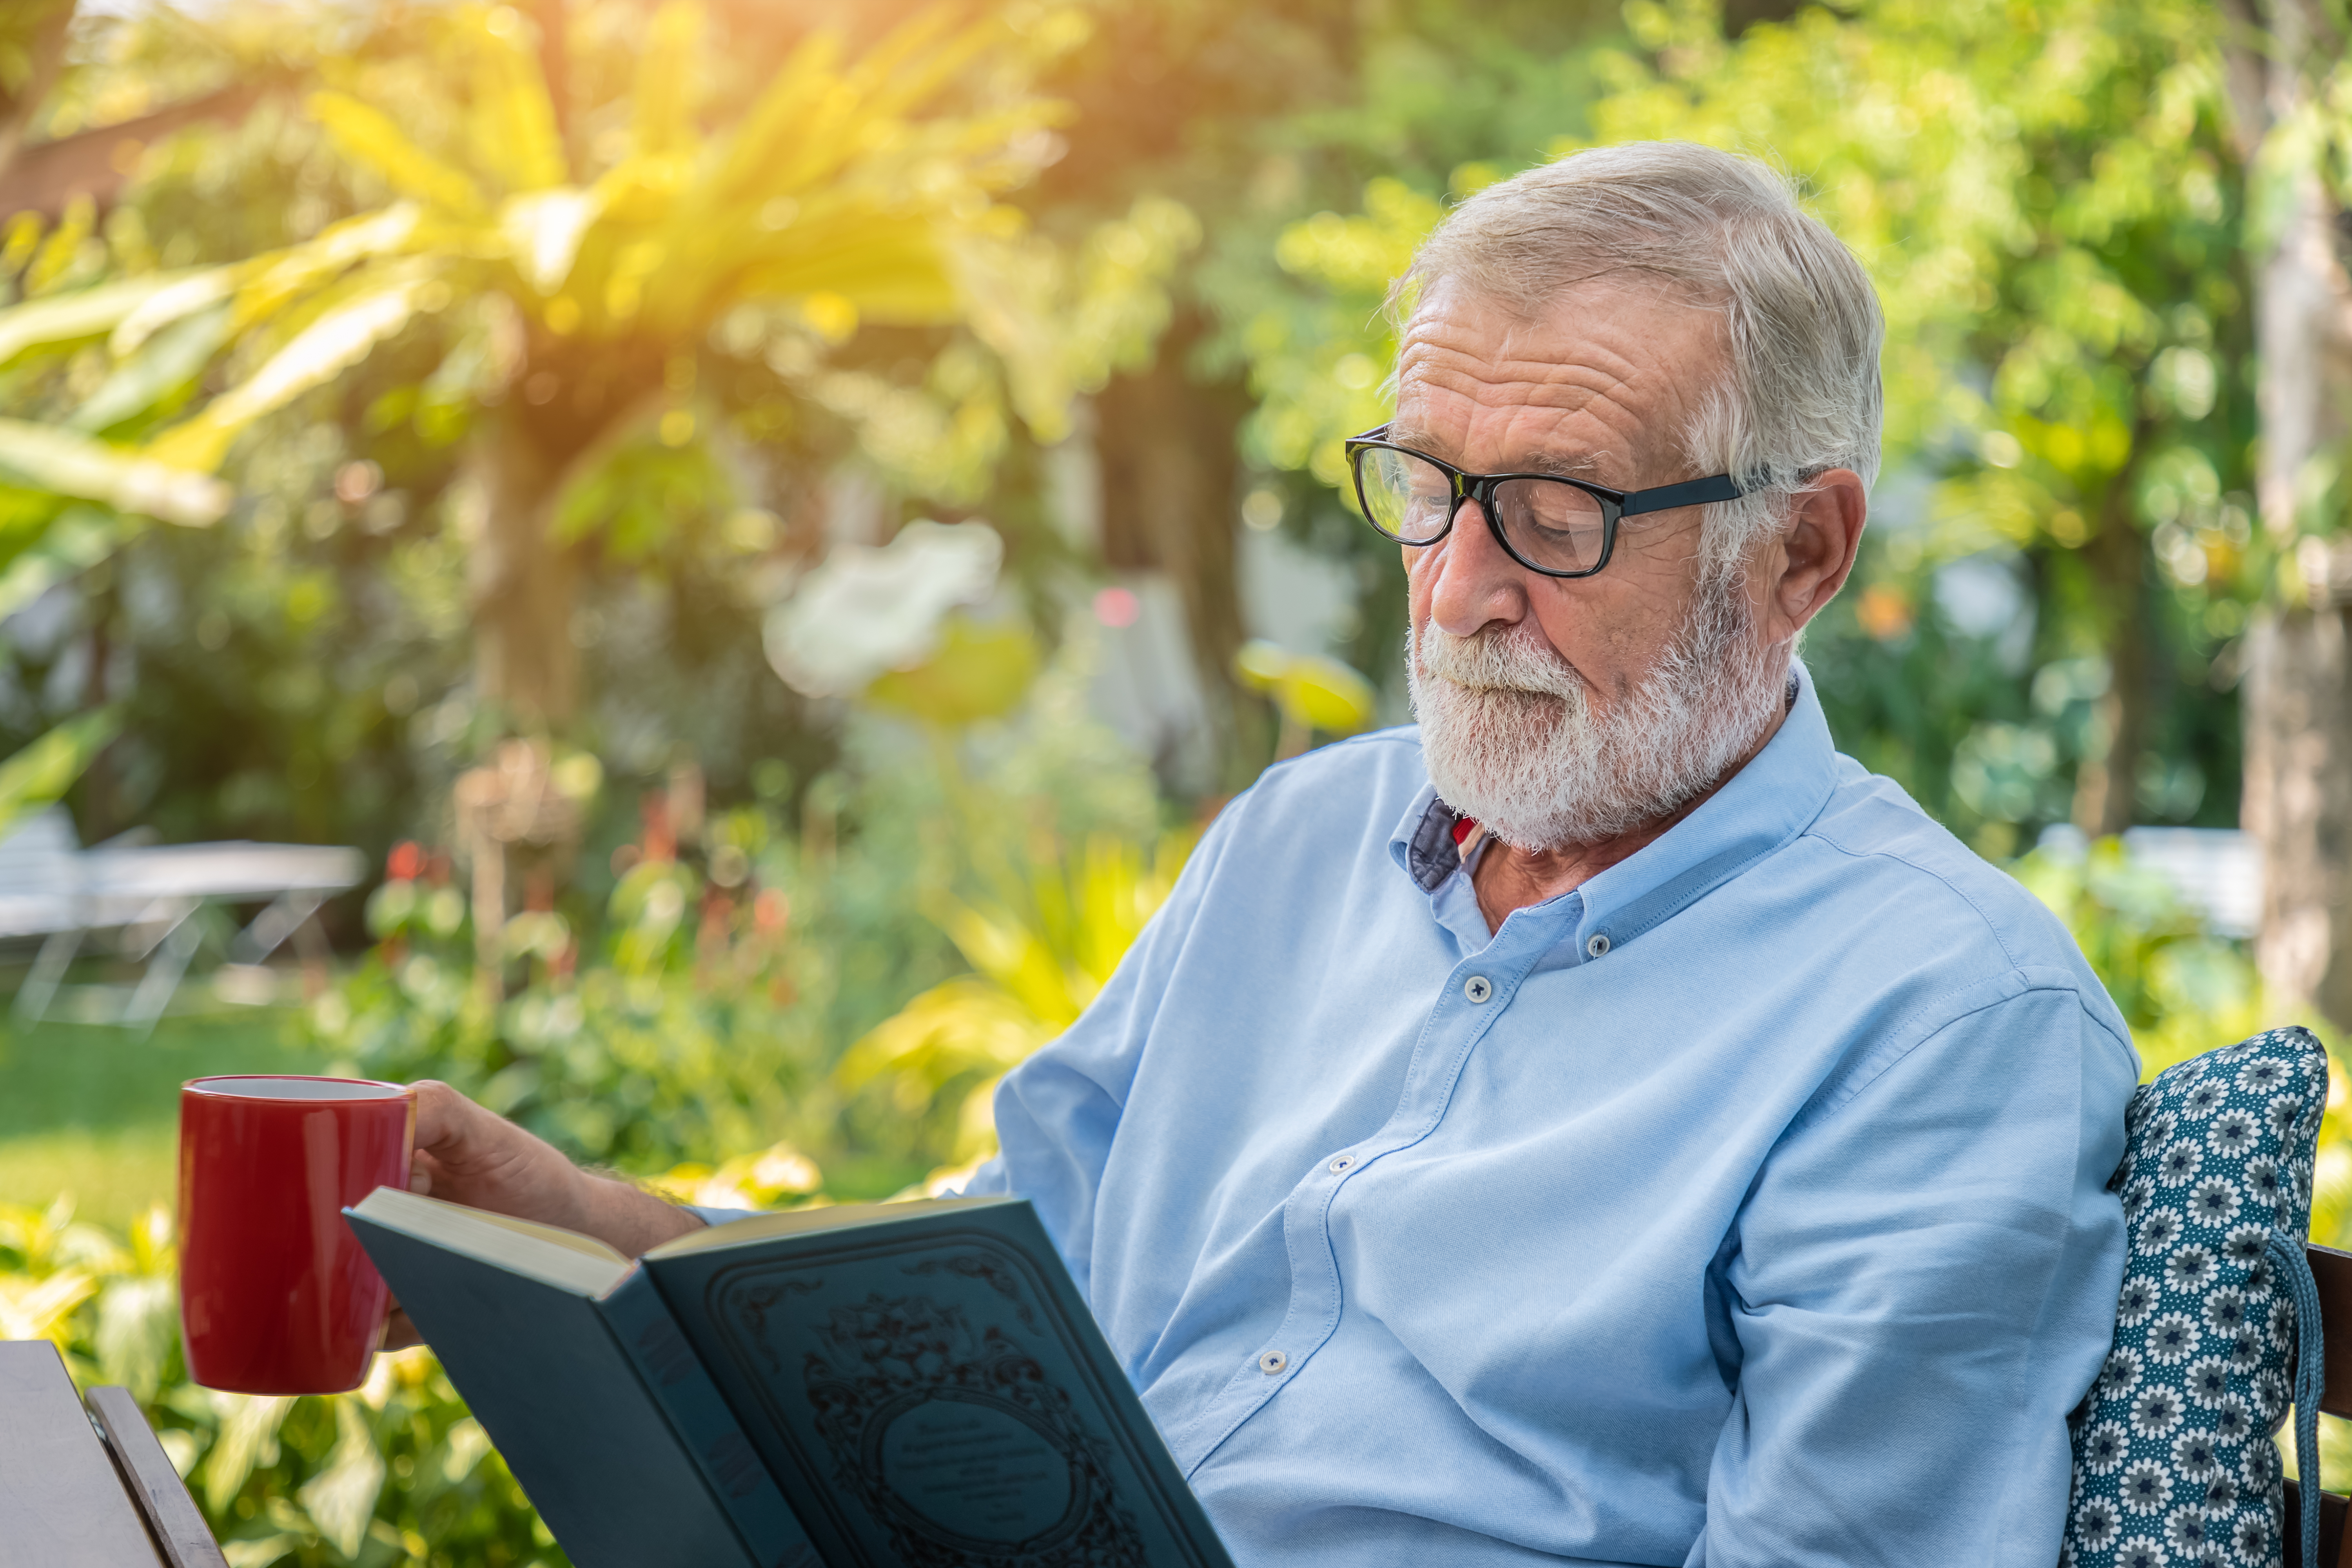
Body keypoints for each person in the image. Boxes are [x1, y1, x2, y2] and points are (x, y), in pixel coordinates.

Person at [402, 142, 2135, 1566]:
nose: (1459, 589)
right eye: (1427, 487)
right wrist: (596, 1234)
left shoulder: (1942, 1017)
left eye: (1558, 512)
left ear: (1801, 552)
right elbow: (977, 1297)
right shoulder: (1296, 845)